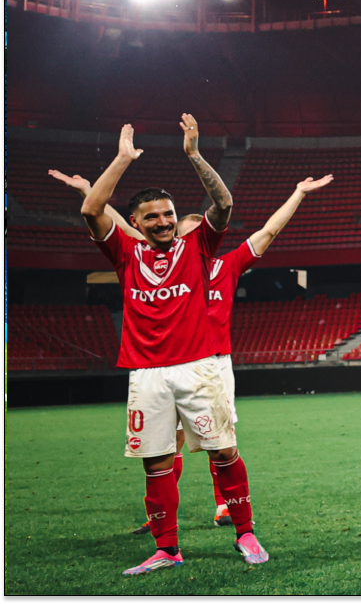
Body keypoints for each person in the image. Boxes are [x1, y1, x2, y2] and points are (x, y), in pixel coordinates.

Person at [58, 167, 330, 537]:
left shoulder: (226, 265)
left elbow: (267, 231)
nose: (178, 232)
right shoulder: (153, 256)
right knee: (169, 443)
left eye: (184, 226)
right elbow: (123, 229)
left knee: (221, 444)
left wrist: (297, 193)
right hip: (163, 364)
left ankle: (227, 508)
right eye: (178, 228)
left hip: (211, 364)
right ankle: (164, 520)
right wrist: (90, 191)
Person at [81, 118, 271, 573]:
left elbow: (223, 203)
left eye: (169, 214)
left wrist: (195, 155)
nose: (165, 222)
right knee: (156, 463)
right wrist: (124, 160)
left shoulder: (198, 246)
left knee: (224, 451)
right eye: (153, 217)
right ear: (137, 224)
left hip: (198, 368)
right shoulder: (127, 252)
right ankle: (168, 548)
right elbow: (92, 209)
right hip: (146, 374)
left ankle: (246, 534)